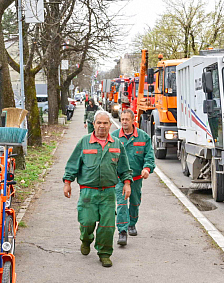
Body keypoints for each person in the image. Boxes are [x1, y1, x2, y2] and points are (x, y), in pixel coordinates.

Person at [63, 110, 132, 267]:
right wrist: (67, 182)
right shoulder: (84, 142)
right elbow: (73, 163)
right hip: (88, 192)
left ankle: (104, 253)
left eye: (105, 123)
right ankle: (86, 239)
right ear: (93, 124)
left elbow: (124, 168)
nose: (102, 126)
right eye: (99, 123)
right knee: (87, 222)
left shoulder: (116, 144)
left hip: (108, 192)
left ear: (110, 125)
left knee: (107, 226)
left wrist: (127, 183)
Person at [114, 108, 155, 246]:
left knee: (135, 202)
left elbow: (149, 156)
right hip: (120, 179)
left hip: (136, 178)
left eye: (127, 119)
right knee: (121, 203)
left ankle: (132, 223)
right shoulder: (114, 137)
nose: (124, 122)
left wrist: (147, 168)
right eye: (122, 119)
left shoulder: (143, 137)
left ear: (133, 120)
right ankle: (122, 231)